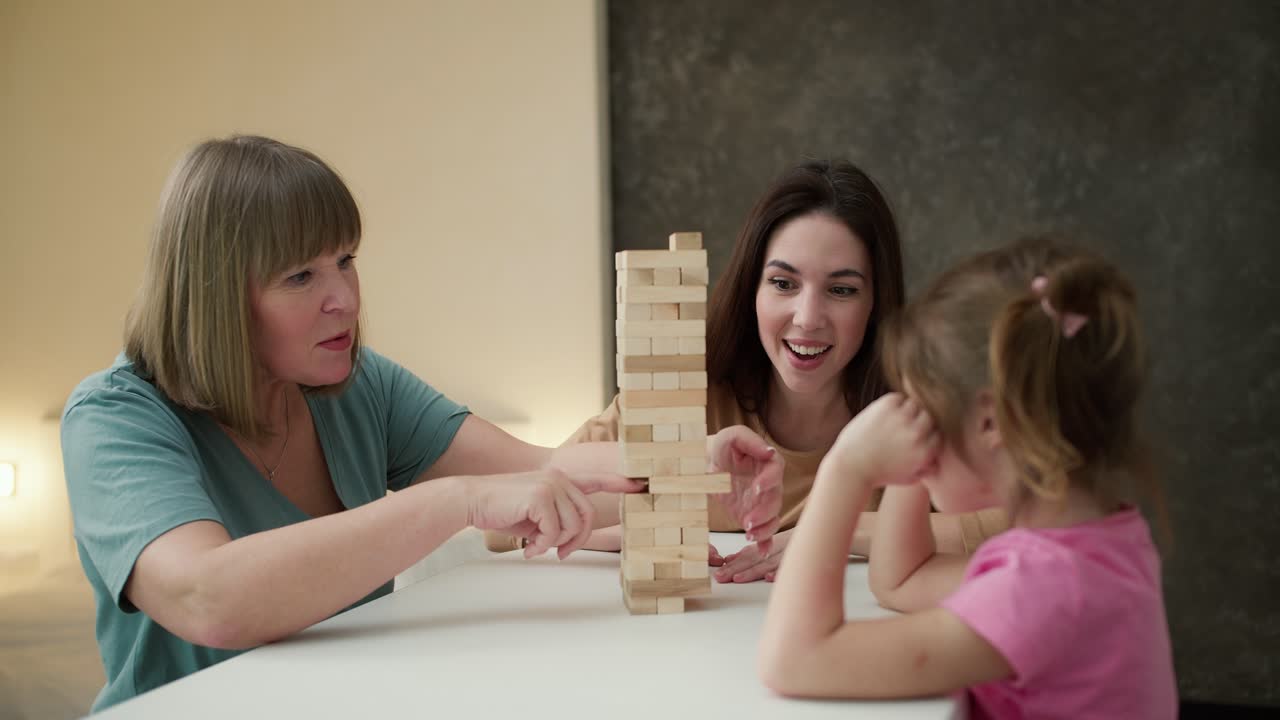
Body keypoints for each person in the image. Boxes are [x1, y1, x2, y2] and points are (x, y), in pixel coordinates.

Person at [61, 135, 782, 712]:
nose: (344, 297)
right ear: (216, 295)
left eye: (345, 260)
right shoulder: (115, 418)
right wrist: (454, 501)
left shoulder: (355, 382)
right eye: (300, 277)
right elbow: (207, 598)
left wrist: (692, 463)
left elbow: (543, 476)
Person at [486, 159, 1007, 582]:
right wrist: (637, 522)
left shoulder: (918, 412)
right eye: (783, 283)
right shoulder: (679, 393)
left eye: (841, 289)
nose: (807, 318)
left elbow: (1024, 527)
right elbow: (506, 522)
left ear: (876, 303)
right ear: (751, 290)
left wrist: (833, 531)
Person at [759, 237, 1177, 718]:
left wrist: (846, 469)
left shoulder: (1043, 588)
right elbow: (903, 580)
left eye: (923, 410)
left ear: (989, 423)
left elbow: (794, 662)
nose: (910, 424)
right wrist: (909, 464)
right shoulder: (1095, 547)